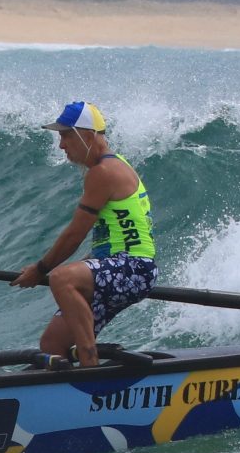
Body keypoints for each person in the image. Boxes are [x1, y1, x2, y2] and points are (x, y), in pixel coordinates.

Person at [12, 101, 158, 367]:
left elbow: (74, 235)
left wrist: (40, 269)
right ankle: (74, 395)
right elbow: (109, 238)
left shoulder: (104, 172)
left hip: (135, 268)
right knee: (52, 344)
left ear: (86, 135)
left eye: (66, 136)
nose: (61, 145)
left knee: (61, 277)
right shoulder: (108, 167)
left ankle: (89, 362)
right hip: (118, 267)